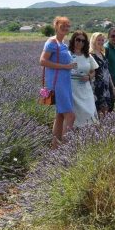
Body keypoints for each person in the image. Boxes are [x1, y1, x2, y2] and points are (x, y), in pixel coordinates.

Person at [39, 16, 78, 148]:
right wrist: (65, 67)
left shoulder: (63, 44)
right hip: (57, 83)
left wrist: (70, 65)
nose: (66, 28)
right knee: (71, 116)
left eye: (68, 26)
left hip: (65, 82)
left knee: (60, 116)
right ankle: (65, 149)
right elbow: (42, 61)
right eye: (63, 25)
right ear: (56, 26)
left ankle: (55, 147)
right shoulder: (52, 42)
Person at [68, 31, 99, 128]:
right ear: (73, 40)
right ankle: (74, 137)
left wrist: (89, 77)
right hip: (72, 89)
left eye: (83, 41)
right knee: (75, 114)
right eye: (78, 40)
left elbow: (93, 71)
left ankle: (87, 136)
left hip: (85, 89)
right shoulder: (67, 54)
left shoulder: (88, 56)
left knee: (89, 111)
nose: (80, 43)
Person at [90, 32, 114, 117]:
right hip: (97, 88)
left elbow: (106, 71)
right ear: (93, 41)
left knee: (106, 112)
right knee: (98, 111)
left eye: (102, 40)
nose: (101, 42)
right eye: (98, 40)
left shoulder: (102, 54)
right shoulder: (91, 55)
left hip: (106, 87)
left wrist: (111, 86)